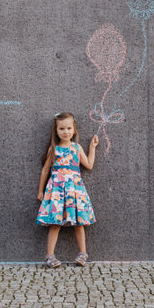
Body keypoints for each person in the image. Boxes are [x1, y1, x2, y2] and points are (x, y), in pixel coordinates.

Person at [36, 112, 99, 268]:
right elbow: (45, 171)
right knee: (55, 222)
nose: (66, 131)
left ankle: (83, 253)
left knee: (79, 222)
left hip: (74, 190)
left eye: (69, 128)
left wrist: (92, 147)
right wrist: (40, 191)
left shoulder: (76, 148)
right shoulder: (54, 150)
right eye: (62, 128)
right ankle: (50, 255)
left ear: (74, 129)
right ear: (56, 131)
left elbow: (89, 165)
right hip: (57, 190)